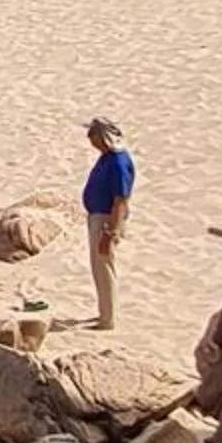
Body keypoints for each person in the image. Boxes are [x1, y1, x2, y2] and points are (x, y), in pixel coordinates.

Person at [81, 116, 135, 331]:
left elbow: (120, 200)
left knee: (104, 266)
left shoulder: (118, 162)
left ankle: (107, 319)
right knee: (98, 266)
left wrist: (110, 232)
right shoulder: (107, 157)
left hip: (106, 219)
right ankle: (103, 313)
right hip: (97, 216)